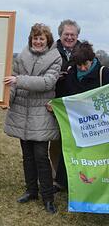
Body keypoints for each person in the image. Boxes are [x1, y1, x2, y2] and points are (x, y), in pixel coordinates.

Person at [4, 23, 62, 214]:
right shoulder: (22, 56)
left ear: (48, 40)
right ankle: (31, 191)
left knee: (40, 156)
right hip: (22, 112)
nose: (37, 41)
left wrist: (19, 81)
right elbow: (11, 81)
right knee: (27, 156)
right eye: (35, 38)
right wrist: (6, 99)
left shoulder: (55, 58)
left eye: (41, 38)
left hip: (41, 114)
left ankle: (48, 198)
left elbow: (47, 83)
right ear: (31, 39)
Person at [51, 19, 81, 191]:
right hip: (54, 102)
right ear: (60, 35)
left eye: (73, 35)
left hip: (75, 106)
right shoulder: (51, 50)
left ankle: (73, 177)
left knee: (72, 143)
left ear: (77, 36)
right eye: (66, 34)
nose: (69, 37)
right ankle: (56, 179)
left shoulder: (85, 51)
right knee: (55, 141)